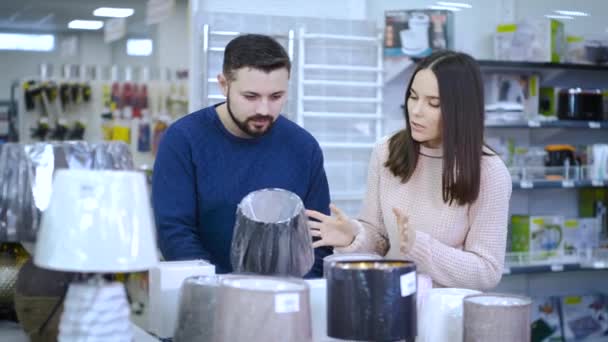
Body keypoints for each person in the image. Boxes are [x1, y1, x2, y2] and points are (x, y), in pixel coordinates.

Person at [306, 50, 512, 290]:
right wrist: (354, 236)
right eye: (413, 97)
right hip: (390, 304)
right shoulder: (386, 151)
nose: (416, 111)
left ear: (461, 110)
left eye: (433, 103)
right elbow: (379, 239)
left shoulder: (490, 172)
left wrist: (418, 246)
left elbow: (487, 271)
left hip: (447, 316)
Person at [152, 34, 332, 277]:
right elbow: (175, 233)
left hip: (286, 298)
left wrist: (295, 294)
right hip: (208, 296)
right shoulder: (183, 140)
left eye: (276, 97)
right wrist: (217, 292)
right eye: (251, 96)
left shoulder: (304, 147)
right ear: (223, 85)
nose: (264, 109)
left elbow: (317, 241)